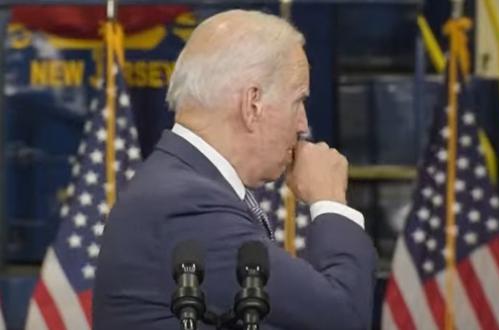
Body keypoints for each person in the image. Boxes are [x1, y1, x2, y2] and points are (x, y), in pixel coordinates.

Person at [93, 9, 376, 330]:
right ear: (252, 104)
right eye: (298, 101)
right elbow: (342, 317)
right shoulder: (186, 204)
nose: (303, 124)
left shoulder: (184, 185)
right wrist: (330, 201)